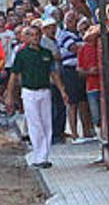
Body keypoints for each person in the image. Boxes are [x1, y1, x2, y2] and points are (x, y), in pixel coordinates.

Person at [6, 26, 69, 169]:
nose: (35, 38)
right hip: (29, 91)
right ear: (28, 38)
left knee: (46, 123)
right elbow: (14, 75)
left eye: (37, 35)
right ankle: (38, 156)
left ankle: (44, 155)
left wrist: (62, 91)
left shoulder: (47, 53)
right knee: (35, 123)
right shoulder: (22, 54)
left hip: (45, 90)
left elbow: (54, 73)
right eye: (32, 35)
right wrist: (9, 94)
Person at [57, 12, 93, 143]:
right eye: (69, 19)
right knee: (72, 103)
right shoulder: (64, 34)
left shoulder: (79, 34)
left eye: (74, 18)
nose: (72, 21)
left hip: (81, 70)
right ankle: (74, 134)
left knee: (83, 102)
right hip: (70, 71)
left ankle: (87, 132)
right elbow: (74, 48)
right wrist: (88, 46)